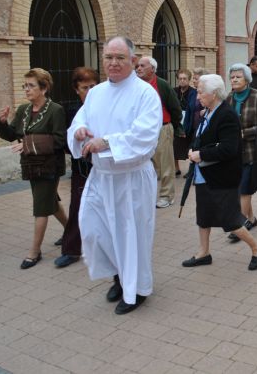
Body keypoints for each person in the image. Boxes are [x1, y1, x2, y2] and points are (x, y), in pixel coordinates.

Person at [68, 36, 162, 314]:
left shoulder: (145, 94)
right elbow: (81, 120)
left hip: (131, 178)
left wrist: (106, 142)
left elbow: (144, 135)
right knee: (98, 231)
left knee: (131, 235)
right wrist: (80, 131)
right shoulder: (96, 93)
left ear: (133, 61)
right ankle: (120, 278)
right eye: (109, 57)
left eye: (120, 57)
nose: (113, 63)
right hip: (102, 176)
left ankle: (137, 290)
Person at [182, 74, 257, 270]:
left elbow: (229, 148)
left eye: (201, 92)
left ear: (213, 94)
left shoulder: (226, 114)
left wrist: (200, 154)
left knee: (230, 220)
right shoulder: (209, 112)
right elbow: (205, 139)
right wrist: (194, 150)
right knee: (203, 216)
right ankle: (204, 253)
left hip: (222, 177)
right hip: (205, 176)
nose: (198, 96)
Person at [0, 68, 68, 269]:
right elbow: (13, 135)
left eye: (31, 86)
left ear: (44, 88)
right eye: (24, 86)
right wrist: (2, 124)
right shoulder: (23, 110)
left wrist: (27, 144)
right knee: (49, 202)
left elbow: (59, 140)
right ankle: (72, 231)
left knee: (41, 208)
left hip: (49, 167)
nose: (26, 90)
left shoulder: (56, 110)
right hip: (30, 166)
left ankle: (34, 252)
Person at [55, 67, 99, 268]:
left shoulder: (104, 107)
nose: (89, 91)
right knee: (78, 207)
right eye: (85, 87)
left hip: (104, 167)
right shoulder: (70, 111)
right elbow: (64, 140)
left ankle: (102, 248)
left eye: (93, 86)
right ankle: (71, 249)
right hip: (81, 168)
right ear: (76, 89)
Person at [225, 63, 257, 242]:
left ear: (246, 79)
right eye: (232, 77)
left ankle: (240, 224)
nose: (234, 79)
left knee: (244, 190)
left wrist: (245, 133)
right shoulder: (229, 98)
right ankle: (251, 219)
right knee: (240, 188)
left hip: (253, 151)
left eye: (238, 76)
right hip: (233, 154)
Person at [136, 56, 183, 208]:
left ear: (152, 69)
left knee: (165, 164)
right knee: (147, 164)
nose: (139, 68)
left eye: (143, 66)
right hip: (143, 130)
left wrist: (171, 127)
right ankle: (147, 194)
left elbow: (175, 108)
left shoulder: (162, 85)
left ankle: (167, 196)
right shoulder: (135, 86)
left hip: (163, 128)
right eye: (137, 66)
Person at [173, 69, 197, 175]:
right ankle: (176, 168)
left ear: (189, 80)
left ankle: (191, 170)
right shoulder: (174, 91)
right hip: (177, 122)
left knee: (191, 147)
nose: (182, 81)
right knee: (175, 145)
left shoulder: (193, 92)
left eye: (184, 79)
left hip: (190, 122)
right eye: (180, 78)